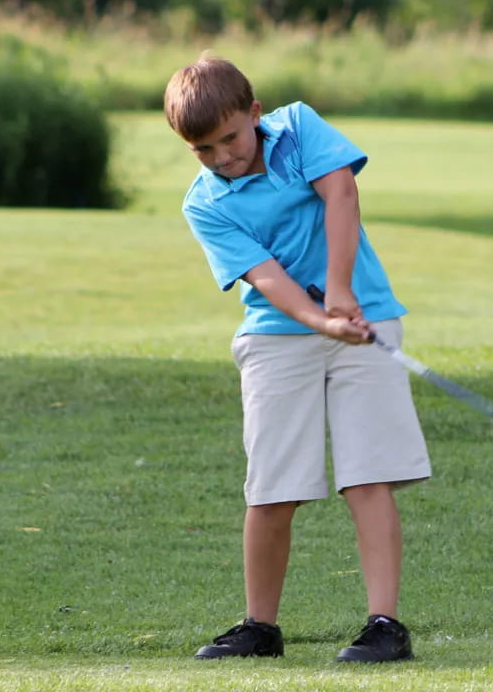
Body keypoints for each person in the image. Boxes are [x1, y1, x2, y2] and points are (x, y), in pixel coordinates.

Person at [163, 55, 432, 664]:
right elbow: (266, 277)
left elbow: (341, 194)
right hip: (275, 337)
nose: (222, 157)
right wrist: (320, 319)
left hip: (366, 316)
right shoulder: (204, 204)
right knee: (272, 486)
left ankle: (385, 625)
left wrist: (339, 291)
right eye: (203, 149)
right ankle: (260, 627)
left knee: (367, 475)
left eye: (230, 138)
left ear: (255, 114)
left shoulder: (301, 127)